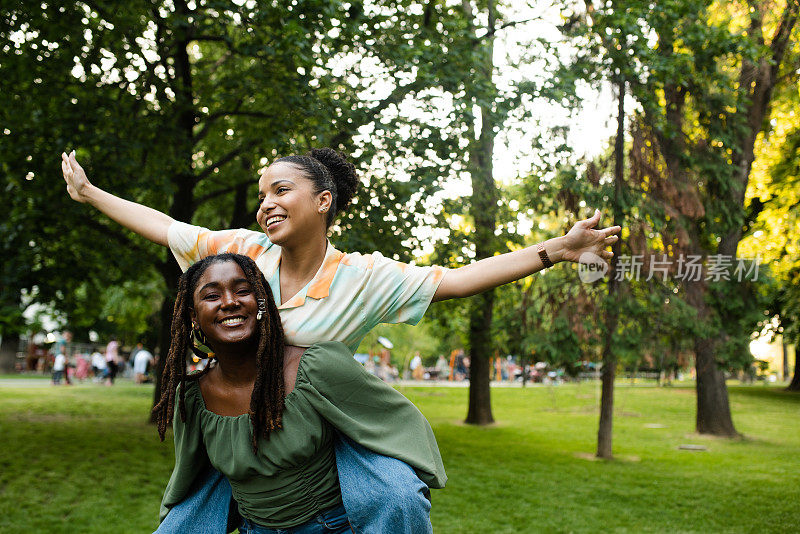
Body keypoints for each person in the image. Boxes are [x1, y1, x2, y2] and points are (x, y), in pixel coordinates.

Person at [61, 147, 619, 532]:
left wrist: (555, 251)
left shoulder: (363, 276)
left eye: (282, 189)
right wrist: (91, 193)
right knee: (183, 518)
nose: (266, 203)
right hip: (237, 419)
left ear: (323, 200)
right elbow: (162, 226)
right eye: (261, 195)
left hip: (325, 419)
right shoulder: (244, 252)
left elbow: (458, 278)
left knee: (394, 500)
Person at [154, 253, 445, 533]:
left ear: (261, 303)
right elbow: (189, 478)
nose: (229, 302)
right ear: (193, 315)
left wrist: (401, 487)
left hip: (336, 526)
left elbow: (395, 420)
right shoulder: (193, 397)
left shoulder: (315, 366)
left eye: (242, 291)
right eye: (211, 296)